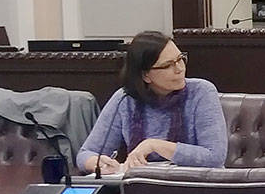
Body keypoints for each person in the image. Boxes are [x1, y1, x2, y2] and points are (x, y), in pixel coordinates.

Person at [78, 31, 227, 172]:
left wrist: (154, 145)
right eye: (168, 65)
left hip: (197, 187)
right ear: (146, 76)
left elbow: (214, 157)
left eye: (180, 59)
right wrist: (98, 163)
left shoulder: (201, 92)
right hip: (144, 187)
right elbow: (85, 154)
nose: (179, 69)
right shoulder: (125, 99)